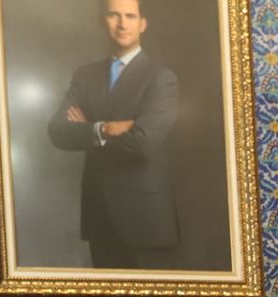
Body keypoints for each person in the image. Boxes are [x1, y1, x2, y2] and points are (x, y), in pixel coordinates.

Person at [46, 0, 179, 269]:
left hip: (145, 218)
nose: (122, 23)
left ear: (142, 24)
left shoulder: (161, 78)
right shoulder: (85, 76)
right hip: (99, 214)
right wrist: (103, 128)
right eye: (114, 15)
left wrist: (87, 131)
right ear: (103, 21)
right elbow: (58, 131)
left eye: (130, 16)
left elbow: (142, 143)